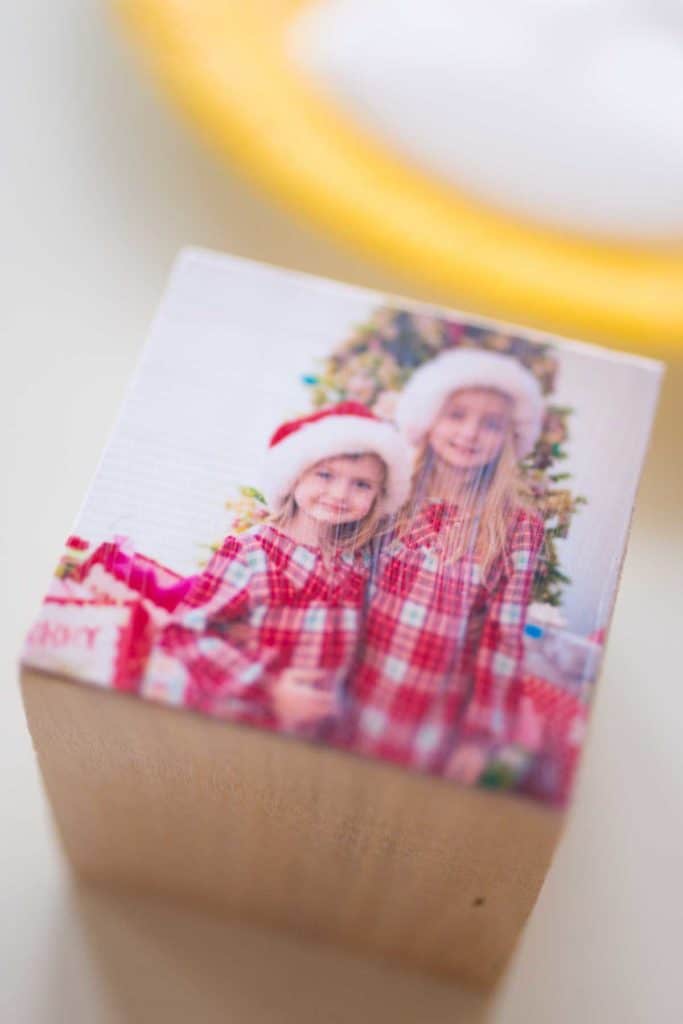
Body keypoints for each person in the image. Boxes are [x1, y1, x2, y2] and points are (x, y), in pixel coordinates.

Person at [342, 349, 546, 780]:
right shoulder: (389, 493)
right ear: (430, 418)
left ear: (509, 436)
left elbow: (503, 638)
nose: (470, 433)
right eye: (457, 415)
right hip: (347, 691)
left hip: (431, 717)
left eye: (490, 423)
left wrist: (479, 737)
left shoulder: (517, 527)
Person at [146, 402, 410, 736]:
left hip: (315, 732)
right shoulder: (253, 552)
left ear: (379, 495)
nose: (340, 493)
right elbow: (185, 634)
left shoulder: (358, 562)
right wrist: (269, 688)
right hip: (241, 718)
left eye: (362, 485)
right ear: (294, 476)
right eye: (325, 475)